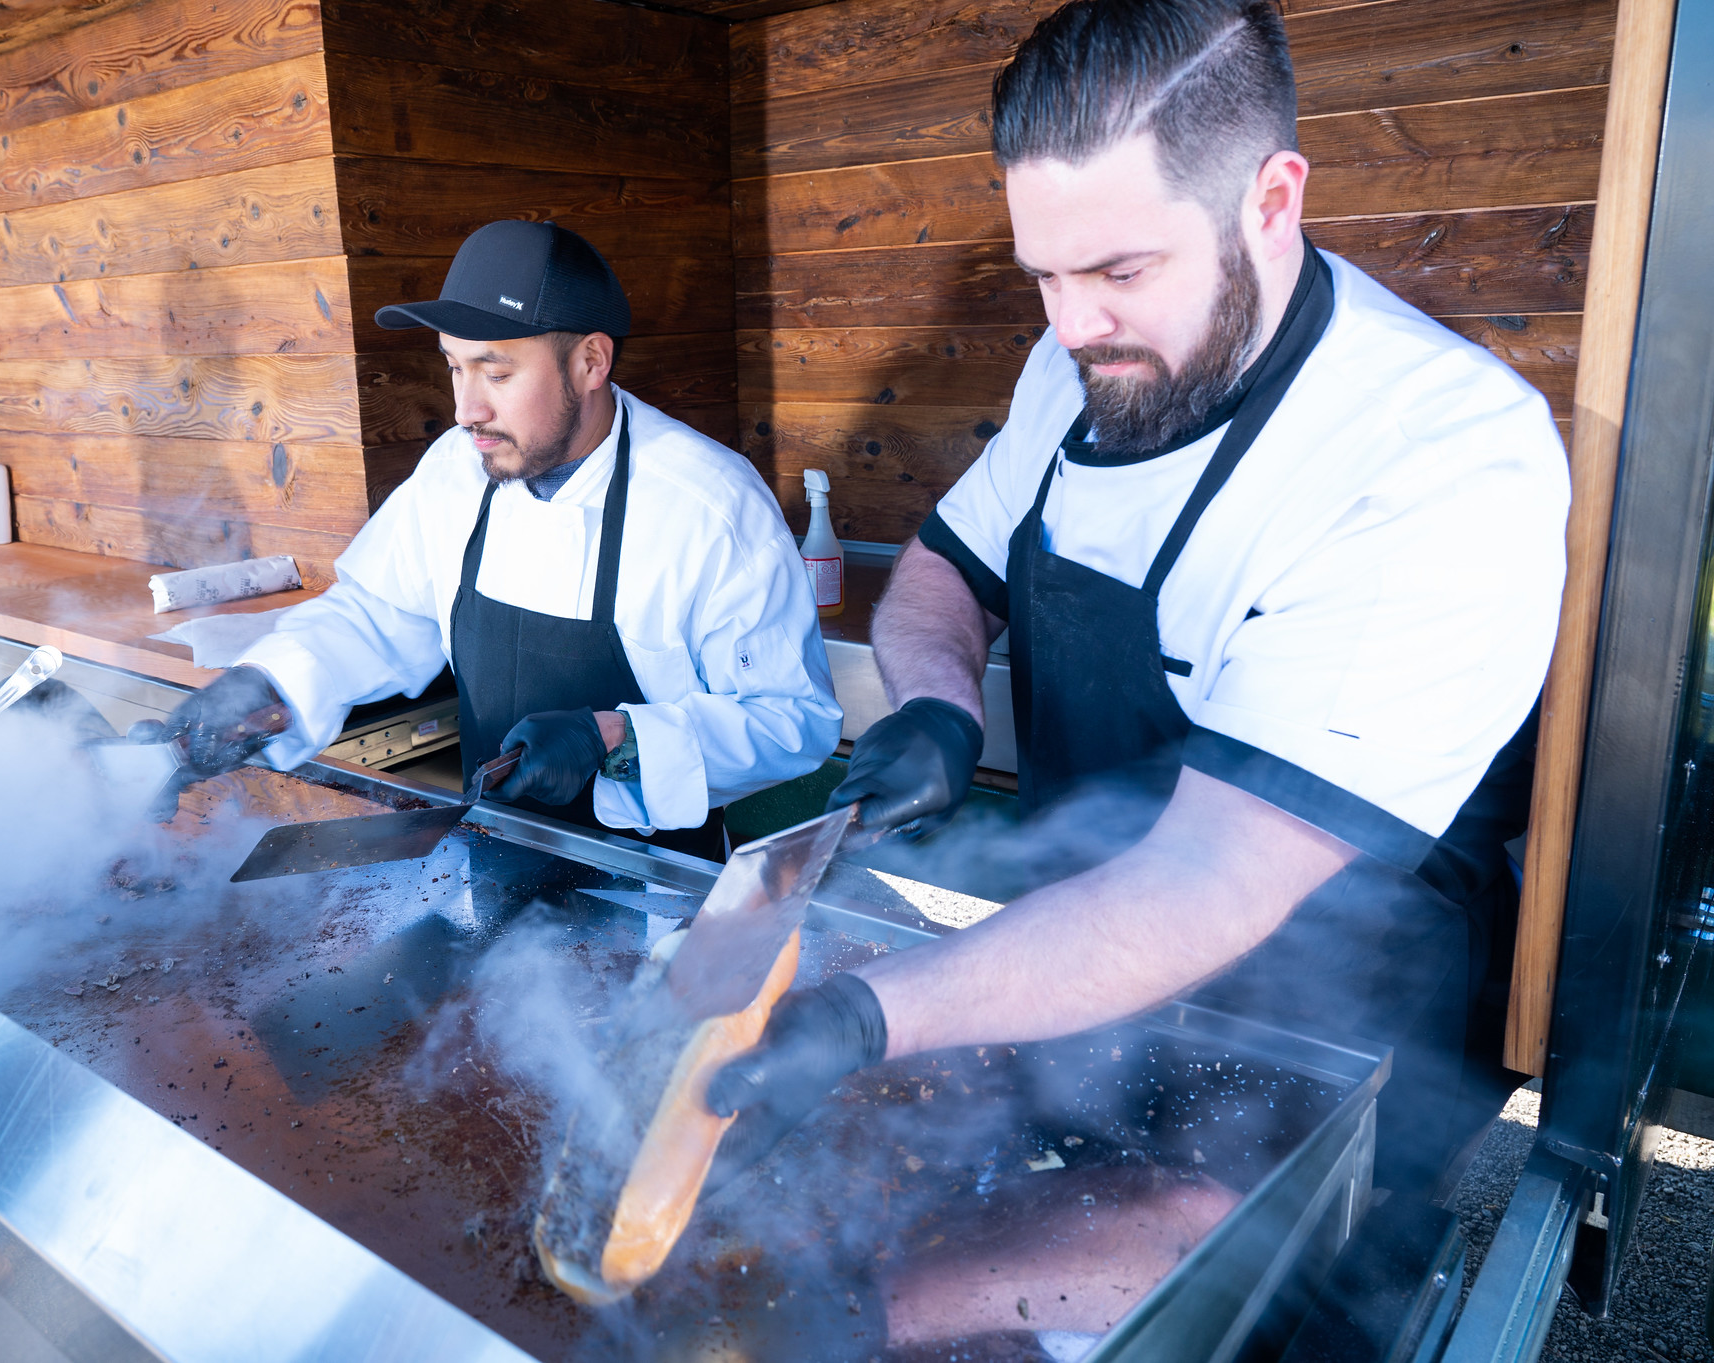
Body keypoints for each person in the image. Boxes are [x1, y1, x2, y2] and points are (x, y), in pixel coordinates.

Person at [708, 0, 1567, 1232]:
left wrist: (867, 1013)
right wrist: (942, 705)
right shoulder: (1074, 367)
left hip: (1324, 1063)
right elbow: (946, 571)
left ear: (1269, 201)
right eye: (1044, 275)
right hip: (1085, 995)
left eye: (1117, 270)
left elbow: (1213, 877)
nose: (1069, 325)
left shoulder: (1432, 453)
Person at [162, 220, 841, 857]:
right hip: (491, 859)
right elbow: (381, 613)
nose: (466, 409)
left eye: (497, 372)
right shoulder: (458, 468)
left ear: (591, 362)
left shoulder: (710, 506)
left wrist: (614, 739)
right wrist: (261, 682)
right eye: (455, 368)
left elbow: (793, 720)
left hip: (660, 896)